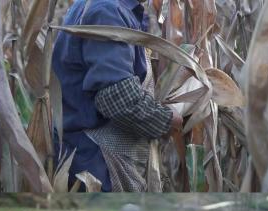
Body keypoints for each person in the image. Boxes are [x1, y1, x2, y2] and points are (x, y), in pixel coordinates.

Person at [52, 0, 183, 191]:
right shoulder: (108, 10)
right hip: (95, 163)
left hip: (88, 155)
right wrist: (167, 119)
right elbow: (117, 98)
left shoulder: (108, 7)